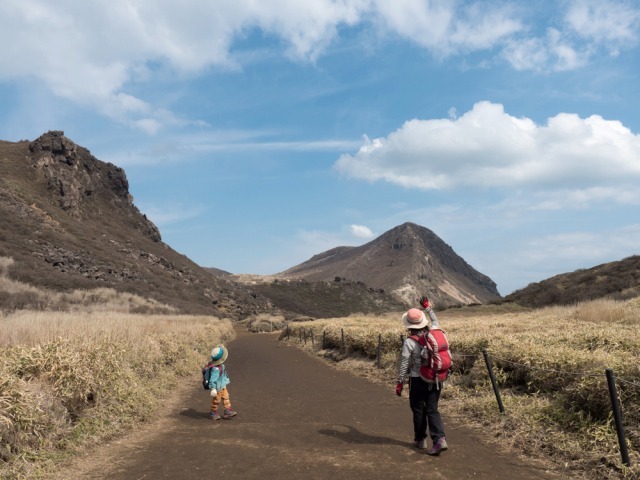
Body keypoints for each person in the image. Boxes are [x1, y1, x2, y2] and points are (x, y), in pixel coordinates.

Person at [395, 297, 448, 455]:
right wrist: (428, 307)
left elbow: (404, 364)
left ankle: (420, 439)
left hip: (417, 379)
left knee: (418, 409)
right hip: (436, 378)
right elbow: (435, 321)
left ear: (409, 325)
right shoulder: (433, 333)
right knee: (432, 409)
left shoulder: (409, 342)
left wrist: (400, 382)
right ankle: (439, 439)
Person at [203, 345, 237, 420]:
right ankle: (213, 411)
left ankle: (227, 410)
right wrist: (213, 388)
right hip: (217, 387)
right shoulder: (216, 369)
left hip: (222, 385)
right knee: (216, 400)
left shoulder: (220, 365)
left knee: (226, 397)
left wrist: (220, 347)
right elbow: (212, 380)